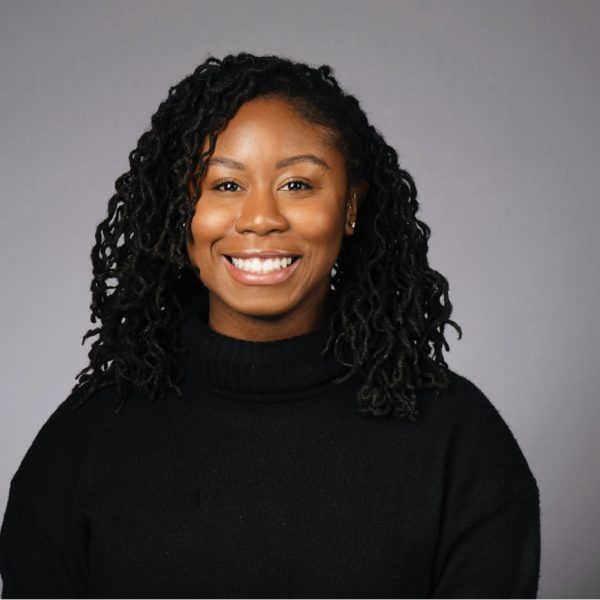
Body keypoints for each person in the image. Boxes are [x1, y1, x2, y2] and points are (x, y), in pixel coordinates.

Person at [0, 53, 540, 598]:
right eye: (225, 186)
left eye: (298, 185)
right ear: (179, 212)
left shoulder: (459, 444)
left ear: (351, 204)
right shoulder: (83, 445)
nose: (261, 217)